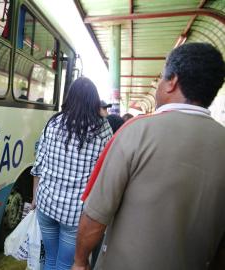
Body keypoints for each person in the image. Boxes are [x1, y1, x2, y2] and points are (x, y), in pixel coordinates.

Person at [72, 42, 225, 270]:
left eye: (162, 77)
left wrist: (80, 262)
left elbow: (96, 216)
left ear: (172, 81)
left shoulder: (136, 131)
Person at [30, 77, 112, 270]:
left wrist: (35, 198)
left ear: (70, 97)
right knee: (66, 264)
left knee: (49, 258)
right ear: (94, 100)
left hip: (46, 204)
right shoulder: (102, 129)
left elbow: (38, 165)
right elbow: (105, 175)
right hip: (76, 214)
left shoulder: (53, 122)